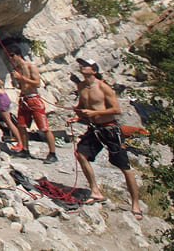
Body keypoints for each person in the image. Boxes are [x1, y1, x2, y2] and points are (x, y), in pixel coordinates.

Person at [72, 57, 144, 218]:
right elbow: (82, 107)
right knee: (80, 154)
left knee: (125, 167)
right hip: (94, 129)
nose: (82, 66)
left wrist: (95, 113)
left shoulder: (104, 88)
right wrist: (77, 116)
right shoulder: (81, 86)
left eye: (86, 65)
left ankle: (136, 204)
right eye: (82, 64)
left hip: (110, 129)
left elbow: (116, 110)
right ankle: (95, 191)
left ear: (94, 70)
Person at [10, 51, 58, 162]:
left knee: (44, 128)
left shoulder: (31, 67)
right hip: (24, 99)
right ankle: (25, 150)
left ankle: (52, 153)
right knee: (21, 126)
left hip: (34, 99)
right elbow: (19, 85)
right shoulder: (17, 69)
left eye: (13, 55)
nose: (11, 58)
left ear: (19, 55)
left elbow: (37, 83)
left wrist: (21, 78)